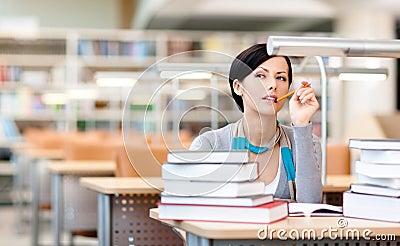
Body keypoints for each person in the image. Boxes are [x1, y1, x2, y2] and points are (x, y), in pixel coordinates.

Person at [190, 43, 322, 203]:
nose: (273, 85)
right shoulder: (210, 145)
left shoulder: (307, 141)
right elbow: (192, 213)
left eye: (281, 77)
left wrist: (301, 124)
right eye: (260, 75)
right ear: (238, 87)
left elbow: (311, 206)